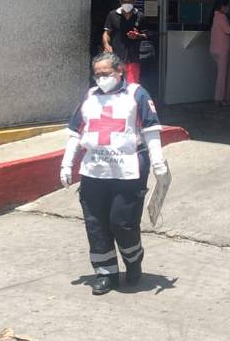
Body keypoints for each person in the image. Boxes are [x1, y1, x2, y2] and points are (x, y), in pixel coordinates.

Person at [61, 52, 170, 295]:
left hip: (128, 170)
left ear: (119, 71)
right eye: (97, 74)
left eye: (106, 73)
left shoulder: (136, 94)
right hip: (94, 170)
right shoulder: (90, 97)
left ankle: (133, 261)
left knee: (122, 222)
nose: (101, 78)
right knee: (95, 223)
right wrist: (66, 164)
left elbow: (151, 130)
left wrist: (158, 163)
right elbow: (75, 133)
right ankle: (105, 273)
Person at [103, 0, 148, 85]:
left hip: (133, 58)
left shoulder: (140, 16)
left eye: (130, 1)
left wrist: (137, 36)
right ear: (120, 1)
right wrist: (106, 44)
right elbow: (107, 33)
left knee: (132, 86)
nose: (127, 3)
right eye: (125, 1)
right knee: (115, 85)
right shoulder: (112, 15)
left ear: (134, 2)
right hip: (116, 58)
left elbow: (145, 35)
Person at [209, 0, 230, 106]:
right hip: (223, 49)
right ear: (222, 7)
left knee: (224, 73)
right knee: (224, 75)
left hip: (216, 49)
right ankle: (221, 99)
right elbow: (228, 30)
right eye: (227, 6)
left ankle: (223, 98)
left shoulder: (215, 16)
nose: (229, 8)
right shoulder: (222, 17)